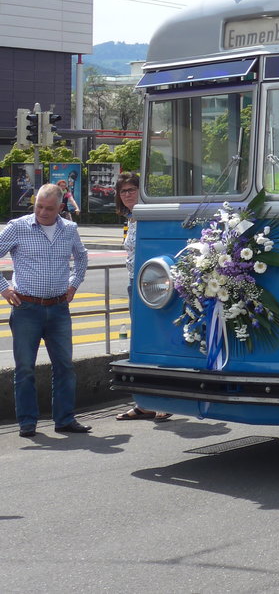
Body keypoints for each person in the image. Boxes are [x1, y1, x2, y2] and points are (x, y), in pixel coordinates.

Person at [0, 183, 91, 437]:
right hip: (26, 307)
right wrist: (5, 288)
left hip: (59, 307)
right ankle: (27, 423)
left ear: (60, 207)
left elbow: (82, 257)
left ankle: (64, 419)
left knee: (64, 366)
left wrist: (74, 285)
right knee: (25, 367)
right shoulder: (18, 227)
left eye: (49, 208)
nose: (42, 212)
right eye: (39, 206)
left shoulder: (69, 229)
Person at [113, 172, 171, 422]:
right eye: (123, 191)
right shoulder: (131, 219)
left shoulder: (151, 217)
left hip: (153, 286)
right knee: (139, 344)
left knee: (159, 340)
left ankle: (165, 399)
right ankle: (144, 401)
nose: (127, 195)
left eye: (131, 190)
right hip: (133, 284)